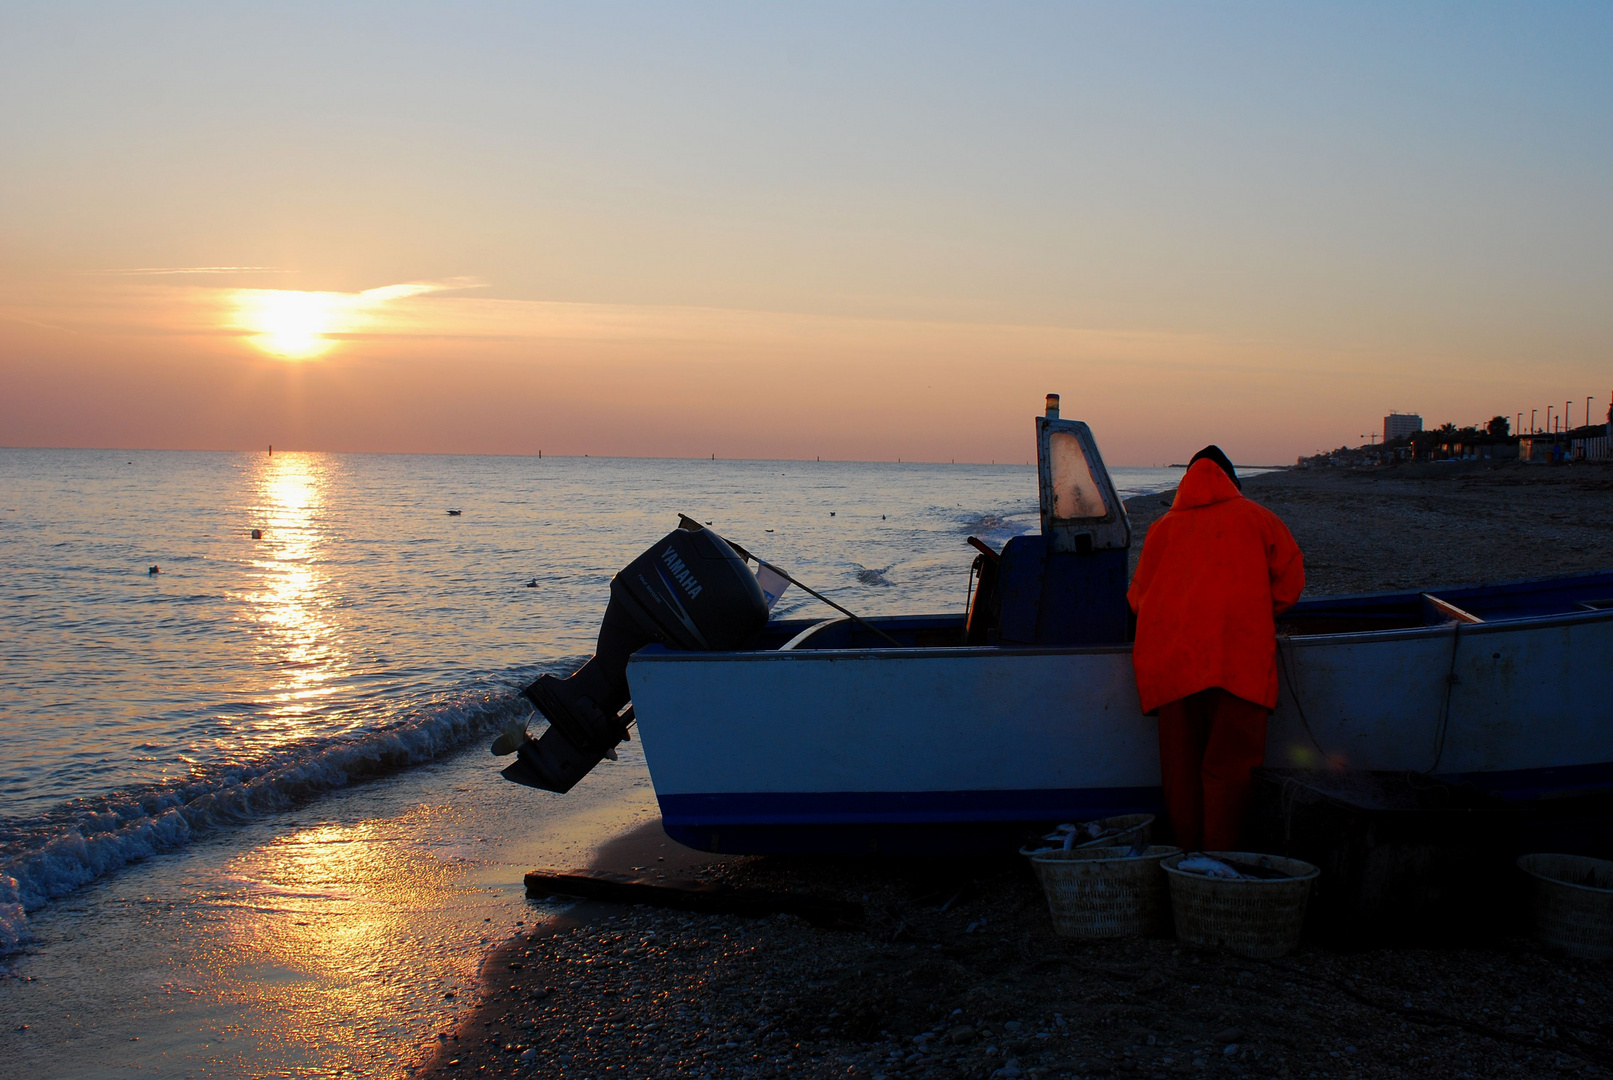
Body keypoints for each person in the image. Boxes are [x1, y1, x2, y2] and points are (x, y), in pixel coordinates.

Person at [1126, 446, 1304, 852]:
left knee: (1181, 772)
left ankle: (1187, 861)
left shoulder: (1162, 528)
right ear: (1231, 481)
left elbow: (1137, 601)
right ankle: (1220, 867)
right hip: (1238, 666)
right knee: (1230, 770)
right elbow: (1289, 589)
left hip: (1171, 669)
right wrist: (1248, 609)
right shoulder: (1261, 520)